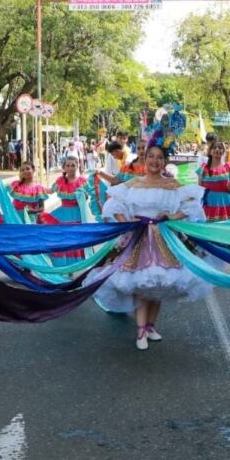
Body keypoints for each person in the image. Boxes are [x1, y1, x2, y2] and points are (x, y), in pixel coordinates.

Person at [92, 142, 209, 350]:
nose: (155, 161)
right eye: (151, 157)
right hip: (138, 238)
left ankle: (151, 327)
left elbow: (192, 206)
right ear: (145, 160)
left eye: (159, 157)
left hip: (163, 238)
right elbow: (114, 204)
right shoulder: (134, 183)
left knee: (160, 284)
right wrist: (126, 223)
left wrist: (172, 216)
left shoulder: (172, 185)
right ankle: (141, 332)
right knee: (142, 285)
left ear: (165, 162)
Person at [196, 139, 230, 220]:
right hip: (208, 204)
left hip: (227, 204)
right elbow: (199, 189)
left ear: (223, 151)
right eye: (214, 147)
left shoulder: (228, 167)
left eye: (220, 148)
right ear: (210, 151)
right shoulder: (203, 168)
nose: (217, 149)